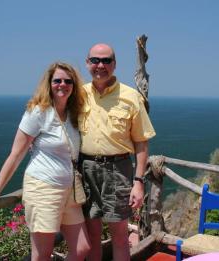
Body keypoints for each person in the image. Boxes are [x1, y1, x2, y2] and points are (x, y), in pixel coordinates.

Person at [0, 62, 91, 261]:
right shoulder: (39, 112)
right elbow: (15, 155)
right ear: (49, 84)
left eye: (68, 81)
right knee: (41, 255)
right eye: (57, 80)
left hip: (70, 191)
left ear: (74, 85)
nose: (62, 84)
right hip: (43, 188)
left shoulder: (73, 114)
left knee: (82, 248)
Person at [78, 43, 156, 261]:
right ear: (87, 63)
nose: (100, 65)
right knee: (92, 236)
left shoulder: (131, 97)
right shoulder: (79, 94)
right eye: (95, 60)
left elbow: (141, 143)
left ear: (114, 64)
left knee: (120, 237)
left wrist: (139, 181)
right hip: (85, 169)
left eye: (106, 60)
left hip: (118, 170)